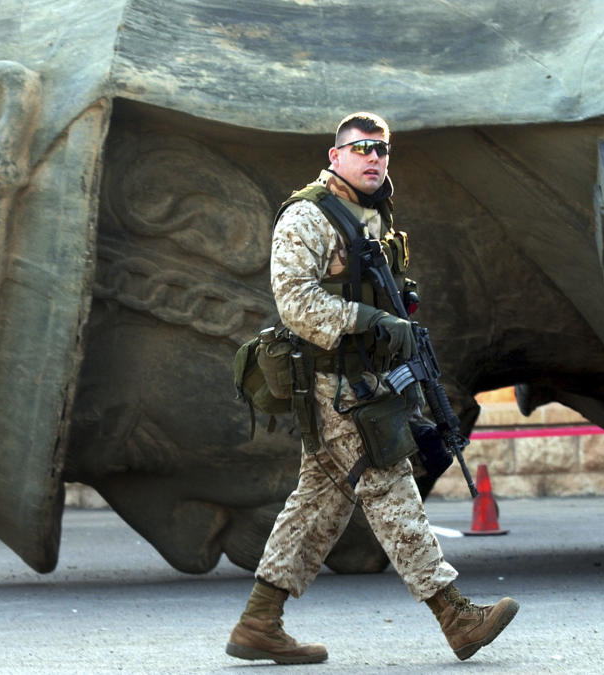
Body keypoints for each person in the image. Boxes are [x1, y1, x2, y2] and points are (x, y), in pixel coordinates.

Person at [225, 112, 518, 664]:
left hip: (365, 378)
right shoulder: (307, 217)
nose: (374, 157)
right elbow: (296, 304)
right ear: (334, 157)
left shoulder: (373, 215)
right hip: (334, 384)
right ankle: (455, 616)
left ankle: (259, 622)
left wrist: (397, 315)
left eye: (381, 149)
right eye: (360, 148)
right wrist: (371, 320)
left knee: (319, 503)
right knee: (389, 487)